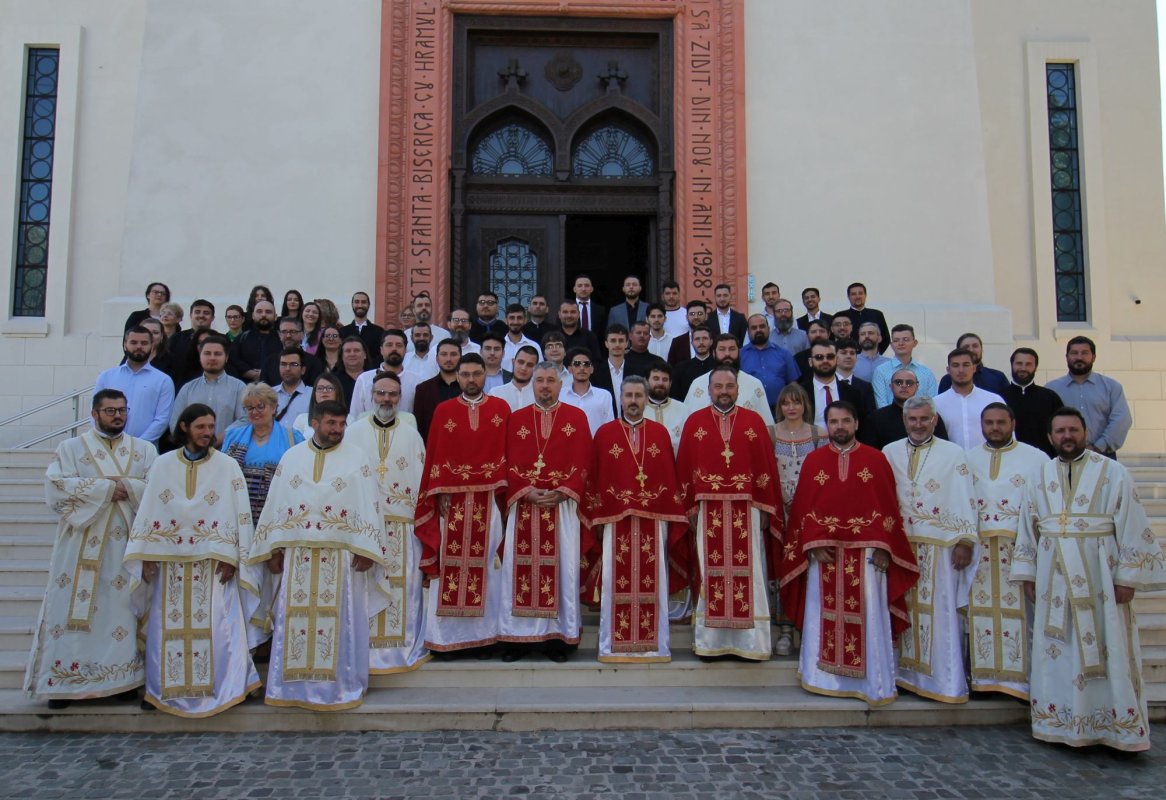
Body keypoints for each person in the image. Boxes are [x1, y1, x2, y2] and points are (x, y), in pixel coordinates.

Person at [1011, 407, 1165, 752]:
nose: (1067, 436)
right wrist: (1027, 573)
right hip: (1054, 580)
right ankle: (1061, 723)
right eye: (1060, 431)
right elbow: (1027, 528)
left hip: (1102, 579)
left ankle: (1114, 728)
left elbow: (1132, 525)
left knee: (1111, 649)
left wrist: (1128, 576)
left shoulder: (1114, 473)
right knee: (1059, 650)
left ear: (1084, 432)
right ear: (1050, 437)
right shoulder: (1039, 475)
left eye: (1073, 430)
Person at [249, 399, 389, 710]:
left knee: (341, 622)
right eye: (331, 424)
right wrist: (273, 550)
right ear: (315, 423)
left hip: (343, 558)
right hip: (298, 556)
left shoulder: (357, 460)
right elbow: (276, 506)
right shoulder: (292, 458)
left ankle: (340, 687)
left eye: (341, 425)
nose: (338, 430)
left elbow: (370, 506)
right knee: (294, 621)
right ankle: (291, 689)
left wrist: (368, 550)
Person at [124, 403, 261, 716]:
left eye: (211, 427)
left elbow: (240, 516)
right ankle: (160, 689)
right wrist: (145, 556)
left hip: (213, 562)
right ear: (184, 427)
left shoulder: (227, 466)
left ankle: (229, 685)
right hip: (169, 562)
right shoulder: (162, 465)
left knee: (220, 625)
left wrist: (235, 558)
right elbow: (148, 512)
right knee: (164, 624)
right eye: (201, 427)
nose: (207, 433)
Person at [26, 389, 158, 708]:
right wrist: (107, 488)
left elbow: (157, 490)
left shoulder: (144, 450)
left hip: (125, 547)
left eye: (122, 410)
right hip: (79, 545)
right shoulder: (70, 448)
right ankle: (63, 685)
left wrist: (128, 486)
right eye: (110, 410)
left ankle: (120, 682)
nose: (117, 416)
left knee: (121, 612)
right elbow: (55, 488)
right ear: (94, 413)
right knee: (69, 612)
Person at [780, 401, 918, 705]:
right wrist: (812, 546)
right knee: (824, 614)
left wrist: (886, 548)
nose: (839, 427)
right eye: (833, 421)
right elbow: (805, 511)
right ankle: (822, 677)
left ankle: (871, 683)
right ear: (826, 425)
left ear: (856, 423)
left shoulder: (876, 460)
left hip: (868, 558)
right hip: (824, 556)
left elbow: (888, 511)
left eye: (845, 421)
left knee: (868, 616)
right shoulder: (814, 462)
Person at [676, 365, 782, 660]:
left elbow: (765, 470)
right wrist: (690, 507)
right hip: (708, 512)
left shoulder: (754, 422)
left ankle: (751, 643)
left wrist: (764, 509)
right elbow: (685, 467)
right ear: (709, 390)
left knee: (751, 575)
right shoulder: (695, 422)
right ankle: (711, 642)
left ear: (738, 389)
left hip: (746, 512)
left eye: (729, 387)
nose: (724, 392)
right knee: (710, 574)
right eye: (718, 387)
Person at [585, 376, 688, 663]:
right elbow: (596, 478)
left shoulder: (659, 434)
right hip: (614, 522)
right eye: (628, 396)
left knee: (654, 582)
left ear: (645, 399)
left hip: (653, 523)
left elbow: (669, 478)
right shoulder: (605, 434)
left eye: (638, 396)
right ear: (620, 398)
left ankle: (655, 645)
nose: (633, 401)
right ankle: (611, 644)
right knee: (613, 583)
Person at [884, 396, 979, 703]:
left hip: (941, 546)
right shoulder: (890, 451)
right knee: (903, 610)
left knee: (941, 614)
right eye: (913, 419)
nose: (919, 424)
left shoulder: (954, 454)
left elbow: (965, 496)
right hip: (902, 545)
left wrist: (965, 540)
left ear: (934, 420)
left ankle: (943, 682)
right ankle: (902, 676)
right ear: (904, 420)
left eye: (924, 419)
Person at [414, 354, 511, 656]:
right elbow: (435, 456)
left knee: (488, 570)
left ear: (485, 376)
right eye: (465, 374)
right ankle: (447, 640)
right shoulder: (444, 411)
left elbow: (508, 453)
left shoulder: (500, 409)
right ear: (456, 376)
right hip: (452, 503)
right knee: (450, 567)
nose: (471, 379)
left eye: (477, 374)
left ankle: (487, 638)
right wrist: (438, 490)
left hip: (488, 501)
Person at [497, 362, 593, 662]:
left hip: (562, 508)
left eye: (551, 380)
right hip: (524, 506)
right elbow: (506, 460)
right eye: (540, 380)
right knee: (517, 570)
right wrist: (526, 490)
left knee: (562, 570)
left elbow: (585, 460)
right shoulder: (517, 419)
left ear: (560, 384)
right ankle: (517, 640)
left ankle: (558, 640)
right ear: (532, 384)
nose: (545, 386)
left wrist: (563, 490)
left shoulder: (576, 417)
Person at [347, 371, 429, 675]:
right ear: (371, 396)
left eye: (393, 394)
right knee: (364, 588)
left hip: (403, 529)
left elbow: (422, 481)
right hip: (364, 529)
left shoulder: (411, 434)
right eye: (381, 393)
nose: (386, 399)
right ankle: (363, 653)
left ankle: (400, 651)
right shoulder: (353, 433)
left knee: (402, 589)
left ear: (400, 397)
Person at [964, 403, 1047, 700]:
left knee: (1023, 615)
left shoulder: (1036, 458)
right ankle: (984, 680)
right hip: (981, 551)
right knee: (980, 614)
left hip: (1020, 550)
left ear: (1013, 422)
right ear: (981, 425)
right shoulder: (968, 458)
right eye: (989, 423)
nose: (995, 428)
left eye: (1001, 422)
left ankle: (1021, 683)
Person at [769, 382, 826, 657]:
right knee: (781, 571)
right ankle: (784, 630)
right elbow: (764, 474)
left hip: (809, 514)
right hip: (780, 513)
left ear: (805, 405)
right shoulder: (770, 434)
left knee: (806, 570)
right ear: (779, 406)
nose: (791, 408)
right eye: (786, 403)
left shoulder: (819, 435)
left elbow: (824, 479)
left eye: (796, 402)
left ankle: (807, 627)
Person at [223, 383, 304, 527]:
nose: (255, 412)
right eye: (250, 408)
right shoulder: (232, 437)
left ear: (273, 408)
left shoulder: (293, 437)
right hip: (238, 515)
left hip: (279, 515)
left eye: (260, 406)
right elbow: (223, 476)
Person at [1045, 336, 1132, 458]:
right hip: (1063, 456)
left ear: (1094, 357)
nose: (1079, 357)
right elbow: (1046, 423)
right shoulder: (1051, 389)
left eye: (1085, 353)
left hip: (1103, 456)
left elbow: (1121, 421)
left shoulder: (1111, 387)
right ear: (1067, 357)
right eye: (1074, 353)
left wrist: (1098, 447)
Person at [94, 327, 175, 447]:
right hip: (107, 447)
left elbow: (162, 419)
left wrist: (137, 445)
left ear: (152, 346)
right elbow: (96, 412)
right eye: (133, 342)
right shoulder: (106, 377)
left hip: (145, 451)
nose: (139, 346)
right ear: (125, 345)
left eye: (144, 343)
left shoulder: (163, 380)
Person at [169, 335, 245, 448]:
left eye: (218, 354)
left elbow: (244, 420)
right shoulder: (188, 388)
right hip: (192, 453)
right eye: (207, 353)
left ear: (227, 357)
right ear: (200, 356)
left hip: (226, 452)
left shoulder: (239, 387)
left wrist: (216, 441)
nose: (212, 358)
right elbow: (175, 422)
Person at [685, 334, 775, 425]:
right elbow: (688, 424)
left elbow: (767, 425)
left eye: (732, 349)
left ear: (739, 352)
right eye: (722, 349)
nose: (727, 354)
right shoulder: (698, 384)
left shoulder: (754, 384)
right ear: (713, 353)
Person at [859, 368, 950, 449]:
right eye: (898, 382)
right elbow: (869, 452)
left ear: (917, 386)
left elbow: (943, 448)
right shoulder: (875, 418)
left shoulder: (930, 416)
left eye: (909, 383)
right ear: (891, 387)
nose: (904, 386)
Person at [933, 348, 1005, 449]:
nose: (961, 370)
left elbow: (1007, 435)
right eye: (955, 365)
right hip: (951, 462)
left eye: (966, 365)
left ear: (974, 368)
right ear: (948, 370)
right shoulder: (936, 404)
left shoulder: (993, 400)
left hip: (985, 461)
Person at [1003, 347, 1063, 458]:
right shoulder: (998, 397)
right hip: (1008, 459)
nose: (1023, 368)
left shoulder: (1050, 397)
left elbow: (1061, 430)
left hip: (1044, 459)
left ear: (1035, 367)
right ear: (1012, 365)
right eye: (1019, 363)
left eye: (1028, 364)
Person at [797, 340, 866, 430]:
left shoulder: (853, 393)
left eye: (830, 357)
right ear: (810, 362)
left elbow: (861, 426)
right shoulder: (800, 393)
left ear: (836, 360)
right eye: (819, 357)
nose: (825, 361)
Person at [352, 329, 420, 419]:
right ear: (381, 350)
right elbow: (355, 415)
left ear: (405, 350)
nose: (394, 349)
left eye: (399, 345)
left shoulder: (417, 381)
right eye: (389, 345)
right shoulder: (364, 379)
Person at [741, 313, 799, 410]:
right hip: (750, 410)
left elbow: (793, 384)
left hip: (780, 410)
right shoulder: (740, 355)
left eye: (762, 326)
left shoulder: (784, 354)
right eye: (754, 328)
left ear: (768, 329)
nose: (758, 330)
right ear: (748, 331)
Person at [872, 324, 939, 407]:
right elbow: (881, 404)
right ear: (891, 345)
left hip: (919, 419)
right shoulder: (881, 371)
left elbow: (932, 404)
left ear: (915, 343)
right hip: (889, 418)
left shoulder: (926, 373)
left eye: (906, 340)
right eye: (896, 340)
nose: (901, 343)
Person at [411, 339, 463, 439]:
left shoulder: (468, 388)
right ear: (437, 358)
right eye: (444, 354)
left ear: (461, 357)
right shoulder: (423, 389)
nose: (448, 359)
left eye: (453, 354)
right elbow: (419, 425)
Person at [559, 346, 615, 435]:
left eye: (586, 364)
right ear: (570, 369)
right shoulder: (560, 395)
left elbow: (610, 427)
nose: (582, 368)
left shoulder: (604, 395)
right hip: (568, 445)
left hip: (596, 446)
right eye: (577, 364)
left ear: (592, 369)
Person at [260, 316, 323, 387]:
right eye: (284, 331)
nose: (288, 335)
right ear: (279, 335)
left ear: (302, 335)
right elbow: (263, 392)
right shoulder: (269, 362)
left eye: (293, 331)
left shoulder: (314, 363)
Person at [937, 333, 1009, 395]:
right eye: (966, 347)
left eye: (975, 346)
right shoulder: (947, 380)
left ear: (982, 349)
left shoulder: (998, 377)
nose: (971, 350)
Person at [167, 298, 216, 388]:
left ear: (212, 318)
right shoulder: (176, 339)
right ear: (190, 315)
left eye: (206, 313)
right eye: (197, 312)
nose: (201, 315)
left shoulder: (220, 339)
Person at [645, 360, 690, 455]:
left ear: (670, 383)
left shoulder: (683, 409)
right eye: (656, 378)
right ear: (646, 381)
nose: (660, 383)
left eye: (665, 380)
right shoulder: (638, 410)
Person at [230, 300, 279, 382]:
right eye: (259, 312)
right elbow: (233, 360)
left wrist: (266, 373)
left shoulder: (282, 339)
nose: (263, 315)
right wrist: (248, 372)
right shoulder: (242, 338)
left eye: (268, 312)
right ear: (253, 315)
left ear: (275, 316)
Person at [290, 371, 347, 440]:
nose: (325, 391)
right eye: (320, 388)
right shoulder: (301, 419)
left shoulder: (349, 419)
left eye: (329, 388)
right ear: (314, 393)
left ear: (338, 392)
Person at [836, 282, 890, 354]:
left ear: (865, 295)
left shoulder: (877, 314)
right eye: (853, 294)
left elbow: (886, 338)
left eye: (860, 293)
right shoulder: (840, 316)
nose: (857, 296)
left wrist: (876, 354)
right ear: (848, 297)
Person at [591, 324, 629, 416]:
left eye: (621, 341)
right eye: (613, 341)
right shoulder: (595, 372)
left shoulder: (637, 371)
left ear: (627, 343)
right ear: (606, 343)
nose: (617, 344)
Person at [833, 338, 877, 415]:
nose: (848, 356)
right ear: (834, 356)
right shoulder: (828, 384)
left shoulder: (865, 387)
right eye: (843, 353)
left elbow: (871, 415)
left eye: (852, 353)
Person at [670, 326, 715, 401]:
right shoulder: (680, 368)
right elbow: (676, 396)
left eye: (705, 338)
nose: (701, 342)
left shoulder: (719, 367)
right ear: (692, 342)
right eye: (697, 339)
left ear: (711, 342)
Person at [489, 345, 538, 411]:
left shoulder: (540, 395)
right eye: (521, 362)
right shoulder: (495, 394)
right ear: (513, 362)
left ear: (536, 368)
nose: (523, 368)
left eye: (529, 365)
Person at [340, 291, 385, 361]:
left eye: (363, 302)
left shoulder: (379, 331)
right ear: (352, 304)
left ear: (369, 305)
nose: (360, 305)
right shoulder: (342, 331)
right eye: (357, 302)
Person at [666, 300, 711, 365]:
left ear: (706, 316)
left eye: (700, 313)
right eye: (692, 314)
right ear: (686, 317)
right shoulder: (677, 342)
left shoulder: (715, 340)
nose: (696, 317)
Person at [501, 303, 541, 371]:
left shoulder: (534, 346)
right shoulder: (499, 346)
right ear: (506, 321)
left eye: (519, 318)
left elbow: (539, 370)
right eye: (512, 318)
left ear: (525, 320)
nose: (515, 322)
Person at [336, 336, 370, 409]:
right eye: (348, 351)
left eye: (356, 350)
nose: (352, 354)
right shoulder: (333, 381)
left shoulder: (375, 378)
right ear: (341, 356)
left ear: (365, 355)